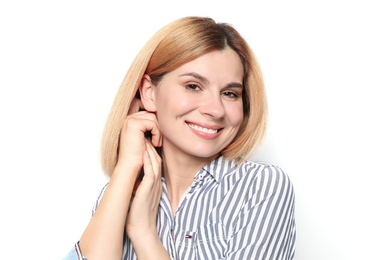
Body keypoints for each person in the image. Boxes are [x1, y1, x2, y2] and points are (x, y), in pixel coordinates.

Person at [63, 16, 296, 260]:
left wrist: (144, 234)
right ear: (149, 93)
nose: (215, 110)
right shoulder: (119, 192)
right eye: (193, 86)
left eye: (229, 93)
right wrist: (126, 168)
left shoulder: (260, 187)